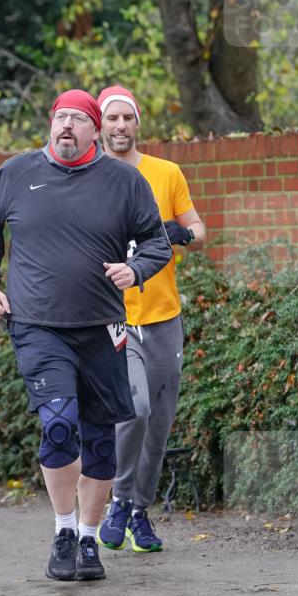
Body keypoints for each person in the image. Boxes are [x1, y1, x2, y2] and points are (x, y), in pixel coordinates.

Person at [0, 89, 172, 582]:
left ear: (95, 130)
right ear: (51, 124)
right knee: (59, 423)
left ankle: (89, 539)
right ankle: (62, 530)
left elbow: (157, 242)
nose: (67, 127)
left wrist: (135, 270)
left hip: (103, 328)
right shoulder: (15, 174)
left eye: (78, 119)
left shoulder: (124, 180)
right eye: (61, 118)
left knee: (100, 439)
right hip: (36, 325)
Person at [96, 85, 206, 553]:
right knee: (134, 409)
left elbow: (200, 231)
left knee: (158, 422)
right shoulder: (89, 177)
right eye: (112, 118)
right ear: (99, 124)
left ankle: (140, 512)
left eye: (128, 118)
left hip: (164, 317)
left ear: (138, 123)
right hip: (113, 320)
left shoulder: (166, 173)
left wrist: (180, 233)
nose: (120, 126)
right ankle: (117, 500)